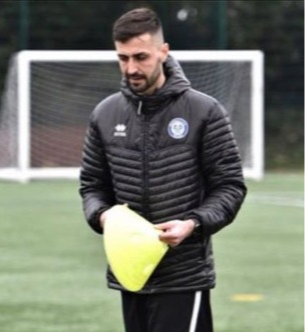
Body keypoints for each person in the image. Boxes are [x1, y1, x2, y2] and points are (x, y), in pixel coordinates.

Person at [79, 7, 247, 332]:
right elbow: (92, 187)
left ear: (163, 51)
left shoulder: (204, 111)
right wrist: (102, 216)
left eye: (140, 56)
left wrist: (192, 223)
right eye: (123, 58)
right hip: (130, 273)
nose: (131, 68)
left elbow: (230, 187)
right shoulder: (105, 114)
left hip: (184, 275)